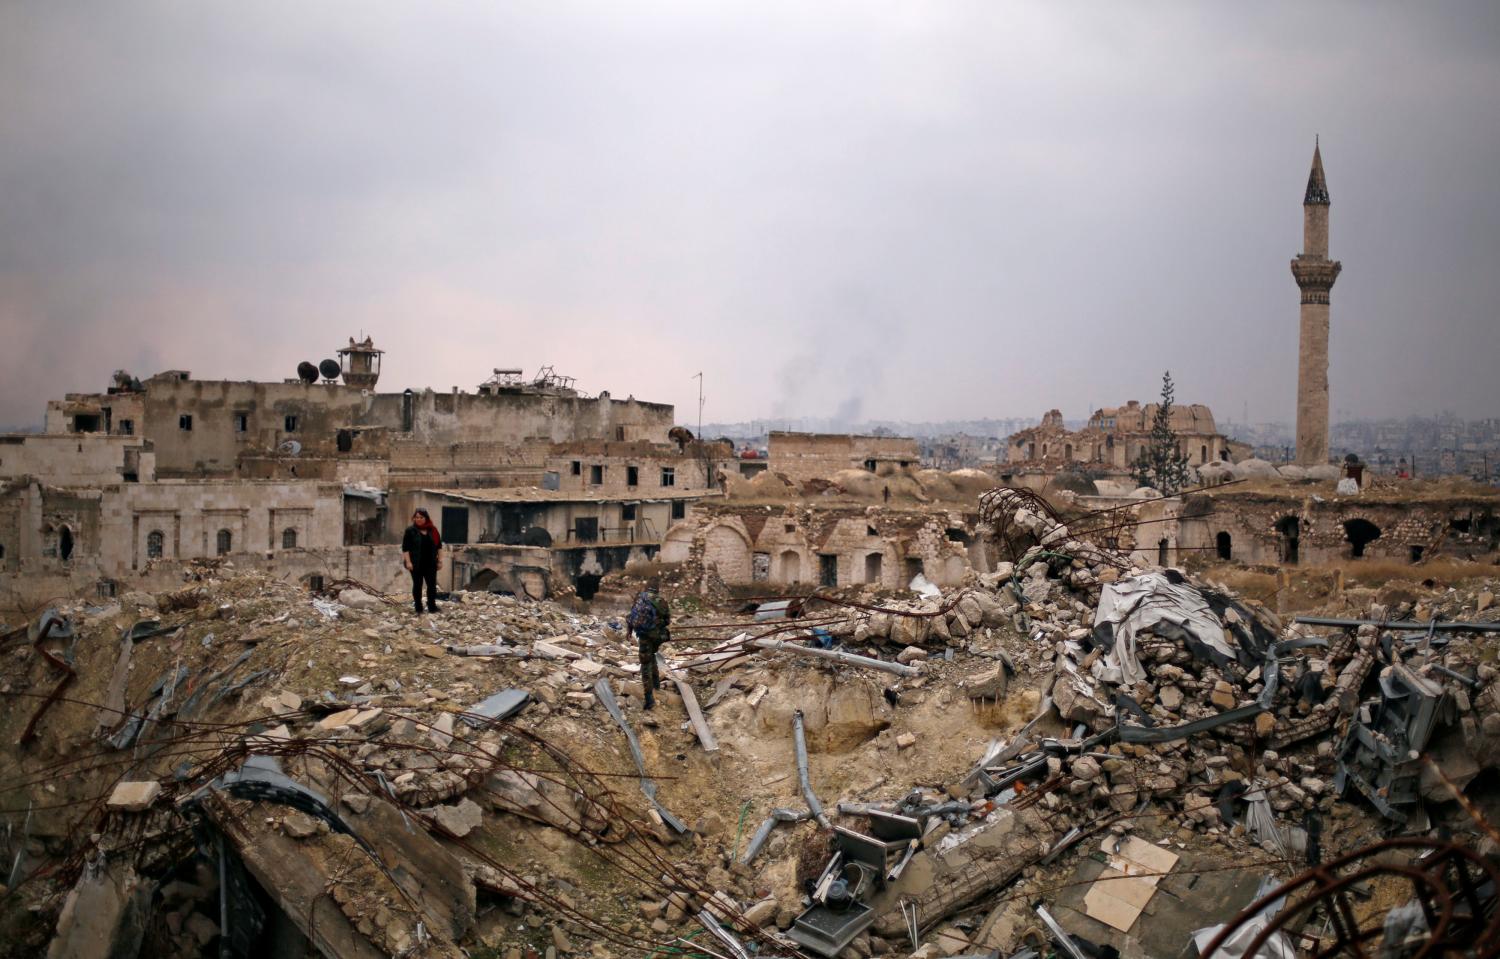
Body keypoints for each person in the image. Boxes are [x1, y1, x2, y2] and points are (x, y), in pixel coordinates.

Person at [626, 578, 671, 709]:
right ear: (658, 589)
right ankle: (656, 684)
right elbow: (667, 621)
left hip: (644, 636)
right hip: (657, 636)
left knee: (645, 663)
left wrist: (629, 631)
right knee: (651, 655)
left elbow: (631, 617)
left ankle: (649, 698)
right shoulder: (661, 601)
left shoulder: (640, 598)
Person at [402, 508, 443, 614]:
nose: (419, 519)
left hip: (431, 563)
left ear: (426, 518)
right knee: (417, 585)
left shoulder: (433, 530)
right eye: (416, 517)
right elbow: (405, 548)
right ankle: (418, 608)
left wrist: (440, 561)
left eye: (421, 517)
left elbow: (439, 546)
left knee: (432, 585)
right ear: (414, 518)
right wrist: (408, 562)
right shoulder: (410, 531)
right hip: (416, 563)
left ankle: (432, 607)